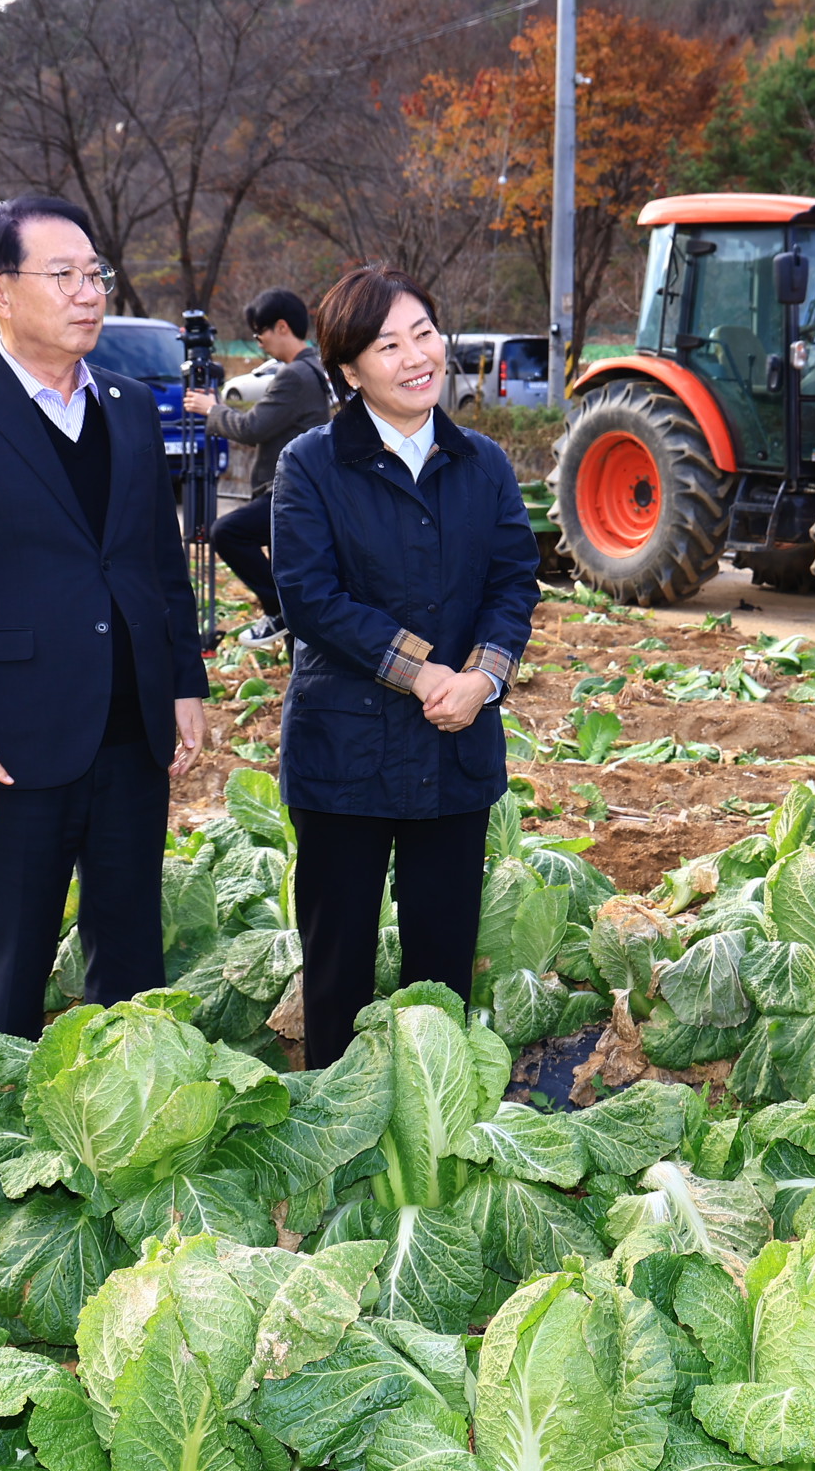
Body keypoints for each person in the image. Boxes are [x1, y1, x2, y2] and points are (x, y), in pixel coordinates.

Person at [0, 196, 210, 1039]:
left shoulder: (131, 406)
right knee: (14, 968)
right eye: (61, 276)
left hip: (131, 731)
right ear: (0, 292)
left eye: (94, 274)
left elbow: (156, 561)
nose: (88, 293)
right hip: (10, 744)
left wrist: (183, 681)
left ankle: (129, 1125)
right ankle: (5, 1144)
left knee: (132, 958)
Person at [270, 264, 540, 1067]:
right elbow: (310, 596)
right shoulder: (310, 465)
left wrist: (483, 678)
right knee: (338, 963)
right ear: (349, 370)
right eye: (388, 345)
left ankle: (436, 1121)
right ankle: (334, 1117)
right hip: (343, 752)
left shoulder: (483, 462)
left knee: (442, 963)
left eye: (423, 333)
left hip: (454, 748)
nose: (415, 355)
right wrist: (425, 674)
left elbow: (513, 580)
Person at [183, 288, 335, 651]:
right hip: (308, 490)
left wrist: (210, 410)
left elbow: (252, 428)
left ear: (281, 327)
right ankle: (288, 619)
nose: (259, 342)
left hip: (294, 494)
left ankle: (280, 609)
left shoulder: (294, 375)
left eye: (259, 333)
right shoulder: (312, 367)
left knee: (228, 532)